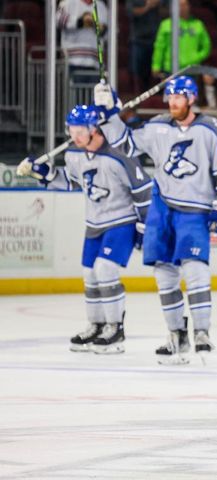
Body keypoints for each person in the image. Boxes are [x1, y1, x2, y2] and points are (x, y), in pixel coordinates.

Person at [94, 76, 217, 365]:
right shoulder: (157, 126)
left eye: (179, 97)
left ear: (192, 99)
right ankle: (176, 336)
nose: (172, 102)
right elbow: (126, 144)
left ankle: (202, 333)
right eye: (170, 97)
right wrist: (110, 115)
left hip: (194, 209)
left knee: (196, 270)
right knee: (164, 274)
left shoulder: (210, 130)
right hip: (161, 208)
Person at [18, 105, 151, 355]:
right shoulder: (74, 154)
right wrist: (43, 173)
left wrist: (144, 227)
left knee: (105, 269)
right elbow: (69, 182)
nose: (75, 135)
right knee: (90, 273)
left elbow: (143, 191)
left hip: (121, 222)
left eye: (79, 130)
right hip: (94, 223)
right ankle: (97, 325)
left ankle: (116, 328)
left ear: (93, 129)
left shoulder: (119, 155)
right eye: (71, 130)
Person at [150, 0, 210, 80]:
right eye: (180, 5)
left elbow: (206, 46)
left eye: (185, 5)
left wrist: (196, 57)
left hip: (191, 69)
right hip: (170, 69)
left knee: (189, 92)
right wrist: (156, 66)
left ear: (189, 6)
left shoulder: (198, 25)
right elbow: (159, 47)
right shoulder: (166, 25)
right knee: (172, 92)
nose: (183, 8)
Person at [57, 0, 109, 83]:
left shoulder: (101, 6)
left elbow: (109, 33)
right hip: (73, 62)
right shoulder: (67, 3)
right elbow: (58, 20)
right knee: (74, 95)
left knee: (93, 95)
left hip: (95, 64)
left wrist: (99, 27)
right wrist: (80, 22)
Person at [128, 0, 163, 90]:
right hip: (138, 39)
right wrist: (148, 6)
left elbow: (171, 12)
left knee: (154, 72)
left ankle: (154, 94)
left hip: (156, 39)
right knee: (137, 72)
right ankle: (137, 94)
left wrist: (157, 5)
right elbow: (130, 12)